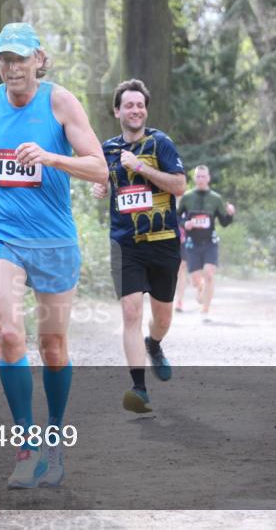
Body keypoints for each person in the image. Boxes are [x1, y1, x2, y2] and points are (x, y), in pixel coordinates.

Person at [0, 22, 105, 489]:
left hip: (54, 240)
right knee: (12, 337)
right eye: (5, 59)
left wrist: (52, 157)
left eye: (20, 59)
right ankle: (27, 446)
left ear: (39, 59)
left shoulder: (60, 102)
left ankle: (55, 439)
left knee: (54, 347)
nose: (12, 67)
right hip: (1, 235)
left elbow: (99, 165)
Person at [91, 80, 186, 413]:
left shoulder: (161, 144)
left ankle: (155, 343)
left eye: (140, 105)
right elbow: (102, 178)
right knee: (131, 311)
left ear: (145, 109)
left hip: (163, 243)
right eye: (128, 105)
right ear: (117, 111)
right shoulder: (107, 149)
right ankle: (138, 388)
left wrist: (142, 167)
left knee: (161, 317)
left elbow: (179, 186)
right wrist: (100, 188)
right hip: (125, 243)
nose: (135, 110)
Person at [178, 165, 236, 319]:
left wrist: (230, 214)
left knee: (209, 274)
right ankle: (200, 287)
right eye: (198, 176)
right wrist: (185, 223)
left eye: (203, 176)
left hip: (210, 242)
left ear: (208, 178)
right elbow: (176, 217)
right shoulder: (187, 197)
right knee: (196, 281)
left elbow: (223, 222)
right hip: (192, 243)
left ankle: (206, 308)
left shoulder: (216, 198)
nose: (201, 179)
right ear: (194, 179)